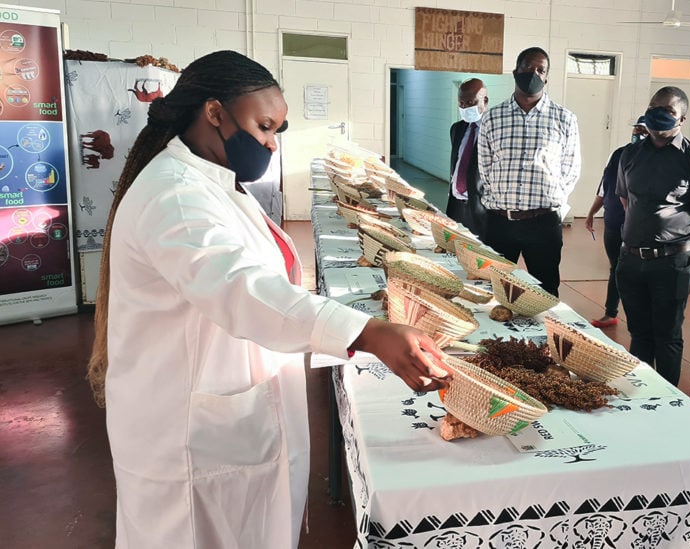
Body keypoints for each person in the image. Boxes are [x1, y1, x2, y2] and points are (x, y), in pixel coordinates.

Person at [86, 51, 451, 548]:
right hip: (188, 437)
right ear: (215, 113)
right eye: (263, 127)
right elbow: (241, 289)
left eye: (277, 129)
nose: (271, 144)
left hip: (226, 411)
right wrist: (364, 332)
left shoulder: (210, 182)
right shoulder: (175, 196)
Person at [615, 86, 690, 387]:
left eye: (668, 110)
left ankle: (668, 401)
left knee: (668, 337)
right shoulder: (630, 154)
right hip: (631, 260)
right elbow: (626, 200)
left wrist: (682, 242)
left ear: (682, 118)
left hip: (673, 263)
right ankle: (641, 394)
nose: (658, 113)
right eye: (654, 106)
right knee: (639, 334)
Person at [478, 46, 581, 296]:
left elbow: (571, 168)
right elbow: (485, 167)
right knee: (495, 290)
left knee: (545, 292)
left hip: (543, 223)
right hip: (500, 221)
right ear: (516, 71)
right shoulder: (493, 118)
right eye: (528, 67)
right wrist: (504, 200)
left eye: (540, 69)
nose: (534, 73)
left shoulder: (565, 119)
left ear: (547, 77)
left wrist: (553, 201)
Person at [584, 116, 648, 328]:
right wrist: (593, 211)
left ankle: (639, 316)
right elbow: (606, 186)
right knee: (616, 268)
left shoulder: (654, 159)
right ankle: (611, 312)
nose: (638, 134)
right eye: (636, 129)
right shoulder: (619, 154)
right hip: (613, 222)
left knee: (634, 271)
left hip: (638, 227)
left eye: (643, 130)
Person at [446, 78, 488, 238]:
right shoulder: (457, 129)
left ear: (484, 101)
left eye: (470, 102)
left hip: (481, 210)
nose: (464, 107)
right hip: (456, 207)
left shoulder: (495, 131)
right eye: (461, 103)